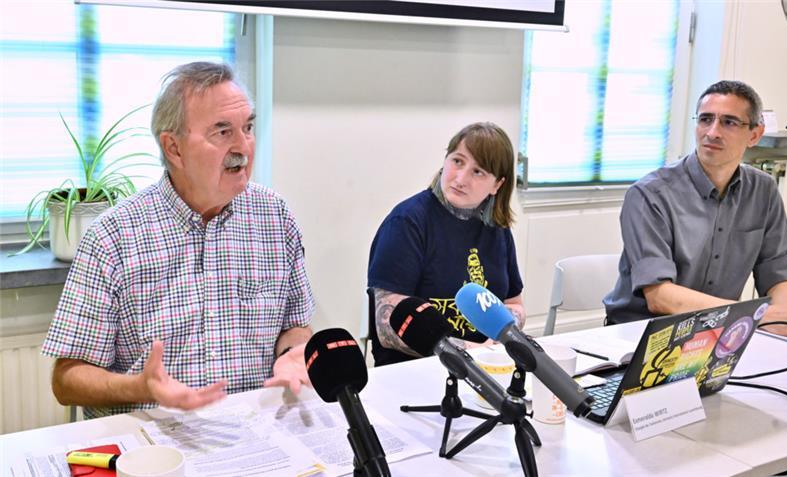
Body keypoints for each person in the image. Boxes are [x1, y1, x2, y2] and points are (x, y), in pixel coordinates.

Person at [41, 62, 315, 418]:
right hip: (154, 441)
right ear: (174, 148)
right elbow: (67, 380)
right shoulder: (113, 237)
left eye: (247, 127)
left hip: (255, 430)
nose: (243, 146)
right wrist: (138, 386)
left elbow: (296, 324)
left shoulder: (274, 216)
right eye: (222, 132)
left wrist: (292, 354)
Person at [604, 80, 787, 336]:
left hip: (718, 331)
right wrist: (757, 315)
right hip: (641, 334)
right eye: (705, 119)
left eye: (729, 122)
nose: (712, 132)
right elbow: (660, 297)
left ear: (754, 134)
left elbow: (776, 271)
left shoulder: (764, 191)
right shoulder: (649, 194)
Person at [367, 122, 525, 366]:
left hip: (487, 363)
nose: (460, 179)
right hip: (416, 368)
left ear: (497, 185)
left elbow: (513, 303)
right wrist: (468, 350)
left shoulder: (497, 228)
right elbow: (387, 325)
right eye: (458, 161)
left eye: (478, 171)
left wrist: (502, 338)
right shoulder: (406, 223)